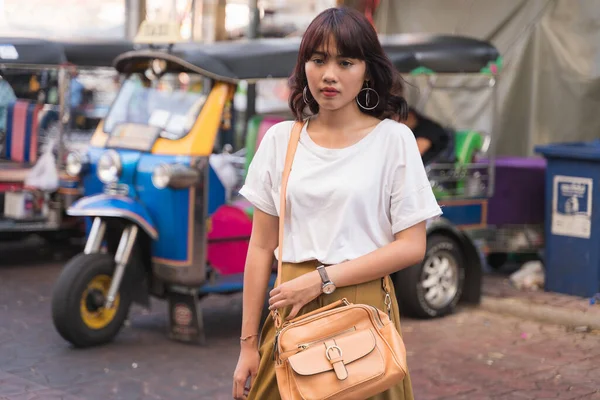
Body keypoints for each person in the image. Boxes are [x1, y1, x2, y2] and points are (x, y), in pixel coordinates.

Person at [232, 7, 442, 400]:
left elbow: (412, 245)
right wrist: (246, 345)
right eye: (318, 59)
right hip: (290, 306)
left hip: (361, 305)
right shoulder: (281, 141)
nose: (329, 74)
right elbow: (260, 248)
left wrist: (322, 279)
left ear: (367, 70)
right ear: (304, 66)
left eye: (345, 61)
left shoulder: (393, 141)